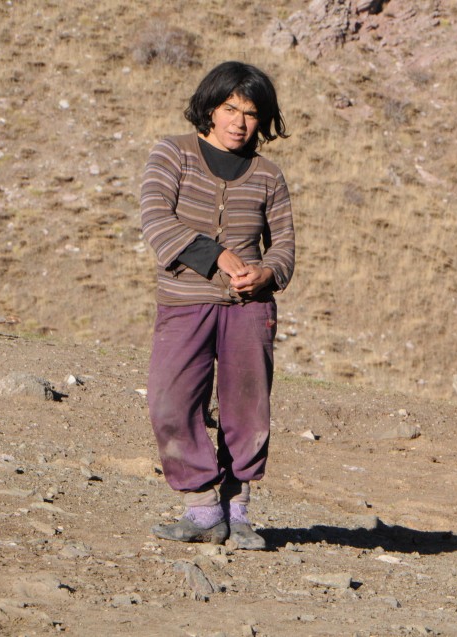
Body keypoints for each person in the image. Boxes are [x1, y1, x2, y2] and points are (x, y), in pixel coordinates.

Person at [140, 61, 294, 549]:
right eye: (230, 108)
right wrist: (218, 255)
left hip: (250, 309)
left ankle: (238, 510)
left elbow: (285, 247)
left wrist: (267, 273)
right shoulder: (173, 154)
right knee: (170, 401)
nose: (239, 122)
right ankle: (202, 508)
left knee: (246, 411)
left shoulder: (269, 175)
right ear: (210, 106)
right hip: (185, 301)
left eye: (251, 113)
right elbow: (155, 219)